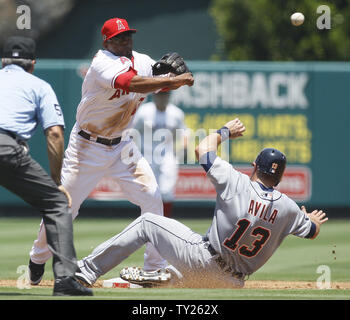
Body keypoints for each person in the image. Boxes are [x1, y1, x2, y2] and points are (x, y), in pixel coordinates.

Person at [28, 17, 194, 285]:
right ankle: (37, 257)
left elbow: (160, 80)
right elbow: (133, 84)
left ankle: (154, 266)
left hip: (122, 145)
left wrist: (172, 78)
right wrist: (175, 80)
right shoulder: (101, 63)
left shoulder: (141, 60)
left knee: (152, 197)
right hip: (86, 147)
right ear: (107, 42)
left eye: (128, 36)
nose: (125, 41)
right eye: (119, 38)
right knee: (65, 209)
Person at [72, 118, 328, 288]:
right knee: (173, 279)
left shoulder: (236, 181)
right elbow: (313, 231)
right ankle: (156, 278)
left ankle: (86, 270)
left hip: (204, 259)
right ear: (280, 176)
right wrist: (311, 220)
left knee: (148, 222)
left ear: (254, 167)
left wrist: (225, 131)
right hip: (233, 283)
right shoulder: (288, 208)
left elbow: (202, 149)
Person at [0, 36, 92, 296]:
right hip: (7, 147)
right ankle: (64, 281)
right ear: (32, 63)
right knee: (56, 204)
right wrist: (56, 182)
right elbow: (54, 134)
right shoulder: (38, 85)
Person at [132, 91, 188, 217]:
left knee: (167, 191)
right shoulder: (144, 112)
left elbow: (184, 132)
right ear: (154, 95)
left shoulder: (176, 113)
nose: (162, 97)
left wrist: (184, 147)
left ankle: (165, 224)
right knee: (148, 191)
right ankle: (147, 222)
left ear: (169, 96)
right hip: (147, 156)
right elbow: (133, 132)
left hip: (167, 155)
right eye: (160, 94)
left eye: (165, 94)